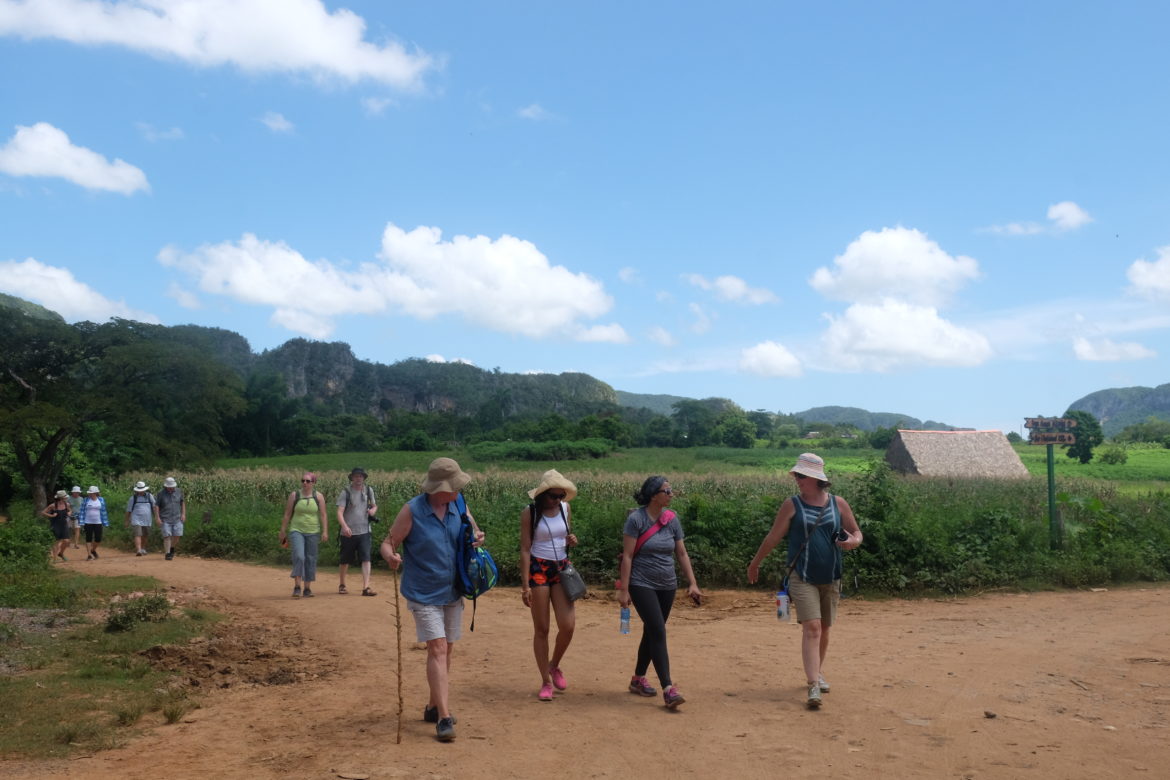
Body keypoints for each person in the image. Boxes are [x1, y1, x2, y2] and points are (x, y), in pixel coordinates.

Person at [380, 457, 485, 743]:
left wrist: (477, 537)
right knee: (437, 648)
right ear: (439, 488)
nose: (457, 491)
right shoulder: (413, 510)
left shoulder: (459, 504)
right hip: (423, 592)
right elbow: (388, 542)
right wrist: (391, 556)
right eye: (454, 487)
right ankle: (444, 718)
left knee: (446, 650)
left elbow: (474, 531)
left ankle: (432, 706)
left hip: (453, 589)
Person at [746, 452, 863, 709]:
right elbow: (773, 537)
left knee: (825, 629)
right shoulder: (792, 504)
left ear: (814, 478)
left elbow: (856, 532)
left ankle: (817, 672)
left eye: (801, 475)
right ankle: (813, 685)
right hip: (802, 576)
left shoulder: (838, 504)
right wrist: (755, 563)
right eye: (796, 475)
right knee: (812, 627)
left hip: (831, 576)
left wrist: (852, 542)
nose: (797, 479)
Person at [617, 475, 702, 710]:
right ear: (654, 495)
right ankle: (668, 689)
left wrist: (692, 583)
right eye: (667, 490)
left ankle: (637, 679)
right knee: (657, 630)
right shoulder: (636, 520)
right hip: (641, 582)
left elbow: (682, 554)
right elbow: (628, 556)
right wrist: (624, 590)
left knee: (652, 631)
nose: (671, 493)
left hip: (667, 584)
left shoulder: (672, 520)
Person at [519, 469, 579, 701]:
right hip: (538, 568)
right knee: (542, 628)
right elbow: (525, 549)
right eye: (553, 496)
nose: (557, 500)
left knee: (568, 625)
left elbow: (563, 536)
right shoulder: (530, 513)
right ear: (543, 495)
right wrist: (525, 585)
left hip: (561, 567)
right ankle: (545, 680)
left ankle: (554, 665)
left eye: (561, 496)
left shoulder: (565, 509)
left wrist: (570, 540)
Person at [279, 472, 328, 598]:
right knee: (299, 556)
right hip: (297, 530)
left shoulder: (319, 497)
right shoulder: (294, 495)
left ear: (313, 483)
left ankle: (307, 588)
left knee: (311, 558)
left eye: (307, 481)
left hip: (313, 531)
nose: (304, 483)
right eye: (303, 481)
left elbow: (323, 515)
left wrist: (325, 531)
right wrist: (283, 530)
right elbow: (287, 514)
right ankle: (297, 586)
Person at [336, 467, 377, 596]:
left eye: (361, 476)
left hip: (365, 530)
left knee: (366, 558)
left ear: (364, 478)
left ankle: (366, 587)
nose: (358, 478)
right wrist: (344, 526)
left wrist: (372, 511)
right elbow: (339, 512)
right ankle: (342, 584)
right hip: (348, 532)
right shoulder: (346, 492)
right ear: (352, 478)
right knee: (345, 560)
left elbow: (374, 505)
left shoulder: (369, 490)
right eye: (356, 476)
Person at [125, 481, 159, 556]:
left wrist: (156, 516)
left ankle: (143, 548)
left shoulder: (150, 496)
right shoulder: (133, 498)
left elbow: (154, 507)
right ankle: (139, 550)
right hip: (136, 519)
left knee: (145, 534)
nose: (140, 492)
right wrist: (127, 520)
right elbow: (128, 510)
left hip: (147, 519)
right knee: (138, 534)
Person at [156, 477, 186, 560]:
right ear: (166, 486)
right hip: (165, 518)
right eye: (169, 487)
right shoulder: (160, 494)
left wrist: (183, 514)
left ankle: (172, 547)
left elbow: (182, 503)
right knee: (167, 536)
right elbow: (157, 506)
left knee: (177, 535)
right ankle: (167, 553)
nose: (171, 488)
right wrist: (157, 517)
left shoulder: (179, 491)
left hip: (177, 517)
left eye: (172, 487)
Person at [77, 485, 109, 560]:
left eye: (92, 493)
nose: (90, 494)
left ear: (96, 493)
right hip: (88, 522)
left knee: (98, 539)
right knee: (88, 538)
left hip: (98, 521)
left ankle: (93, 550)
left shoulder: (101, 500)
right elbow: (82, 510)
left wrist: (105, 521)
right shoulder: (86, 500)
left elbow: (104, 511)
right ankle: (89, 555)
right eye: (90, 493)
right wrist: (81, 521)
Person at [41, 489, 72, 562]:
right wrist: (51, 516)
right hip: (55, 525)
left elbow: (70, 510)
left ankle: (61, 553)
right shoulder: (53, 505)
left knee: (66, 541)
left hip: (64, 524)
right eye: (65, 497)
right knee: (56, 542)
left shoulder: (66, 504)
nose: (66, 498)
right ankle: (55, 559)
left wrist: (69, 513)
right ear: (61, 498)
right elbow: (43, 512)